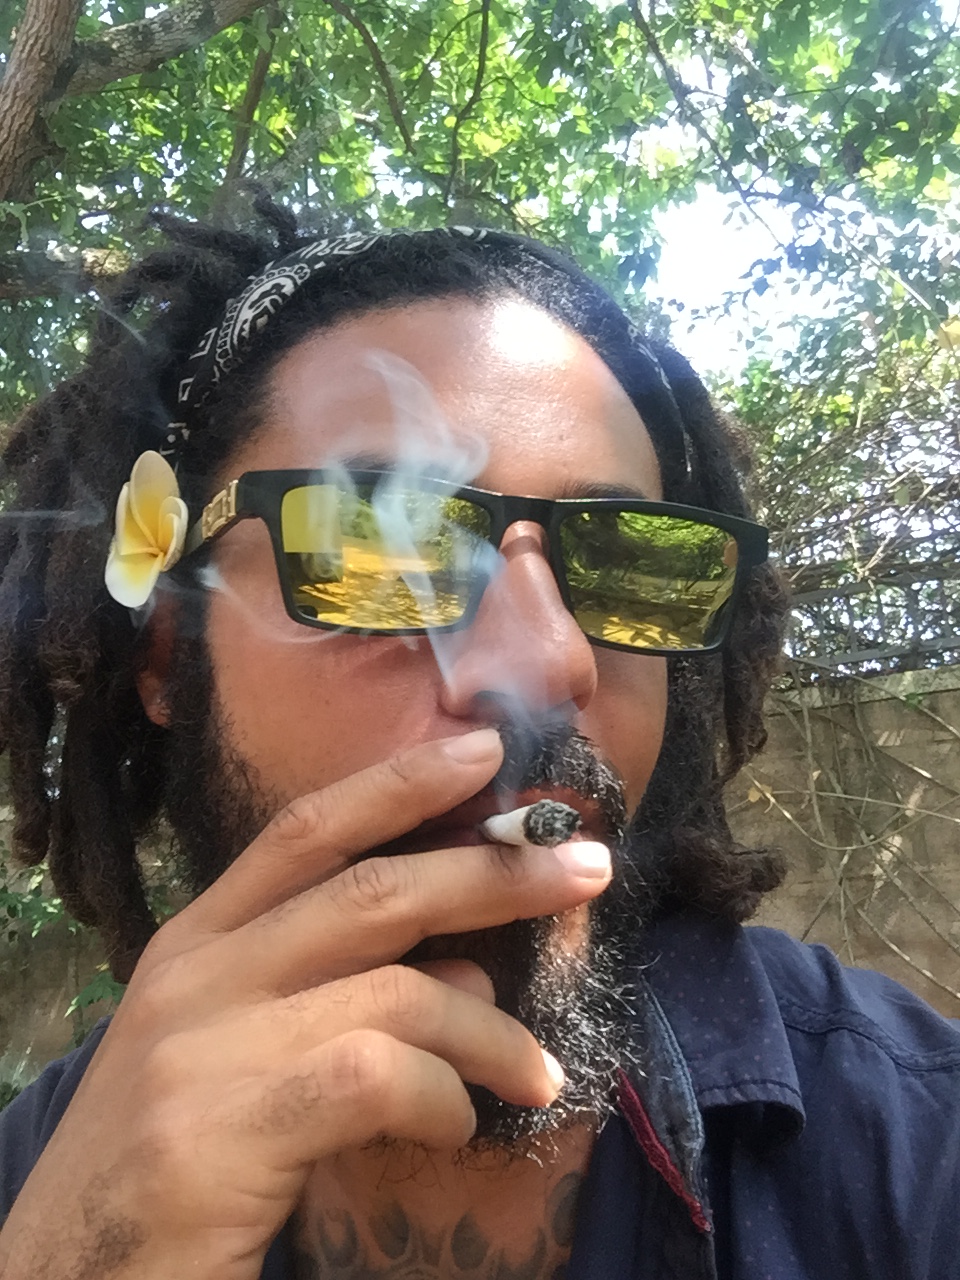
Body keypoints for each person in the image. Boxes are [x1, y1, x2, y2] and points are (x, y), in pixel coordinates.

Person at [0, 204, 957, 1280]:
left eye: (626, 565)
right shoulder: (35, 1200)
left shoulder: (918, 1151)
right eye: (380, 550)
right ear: (170, 657)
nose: (550, 660)